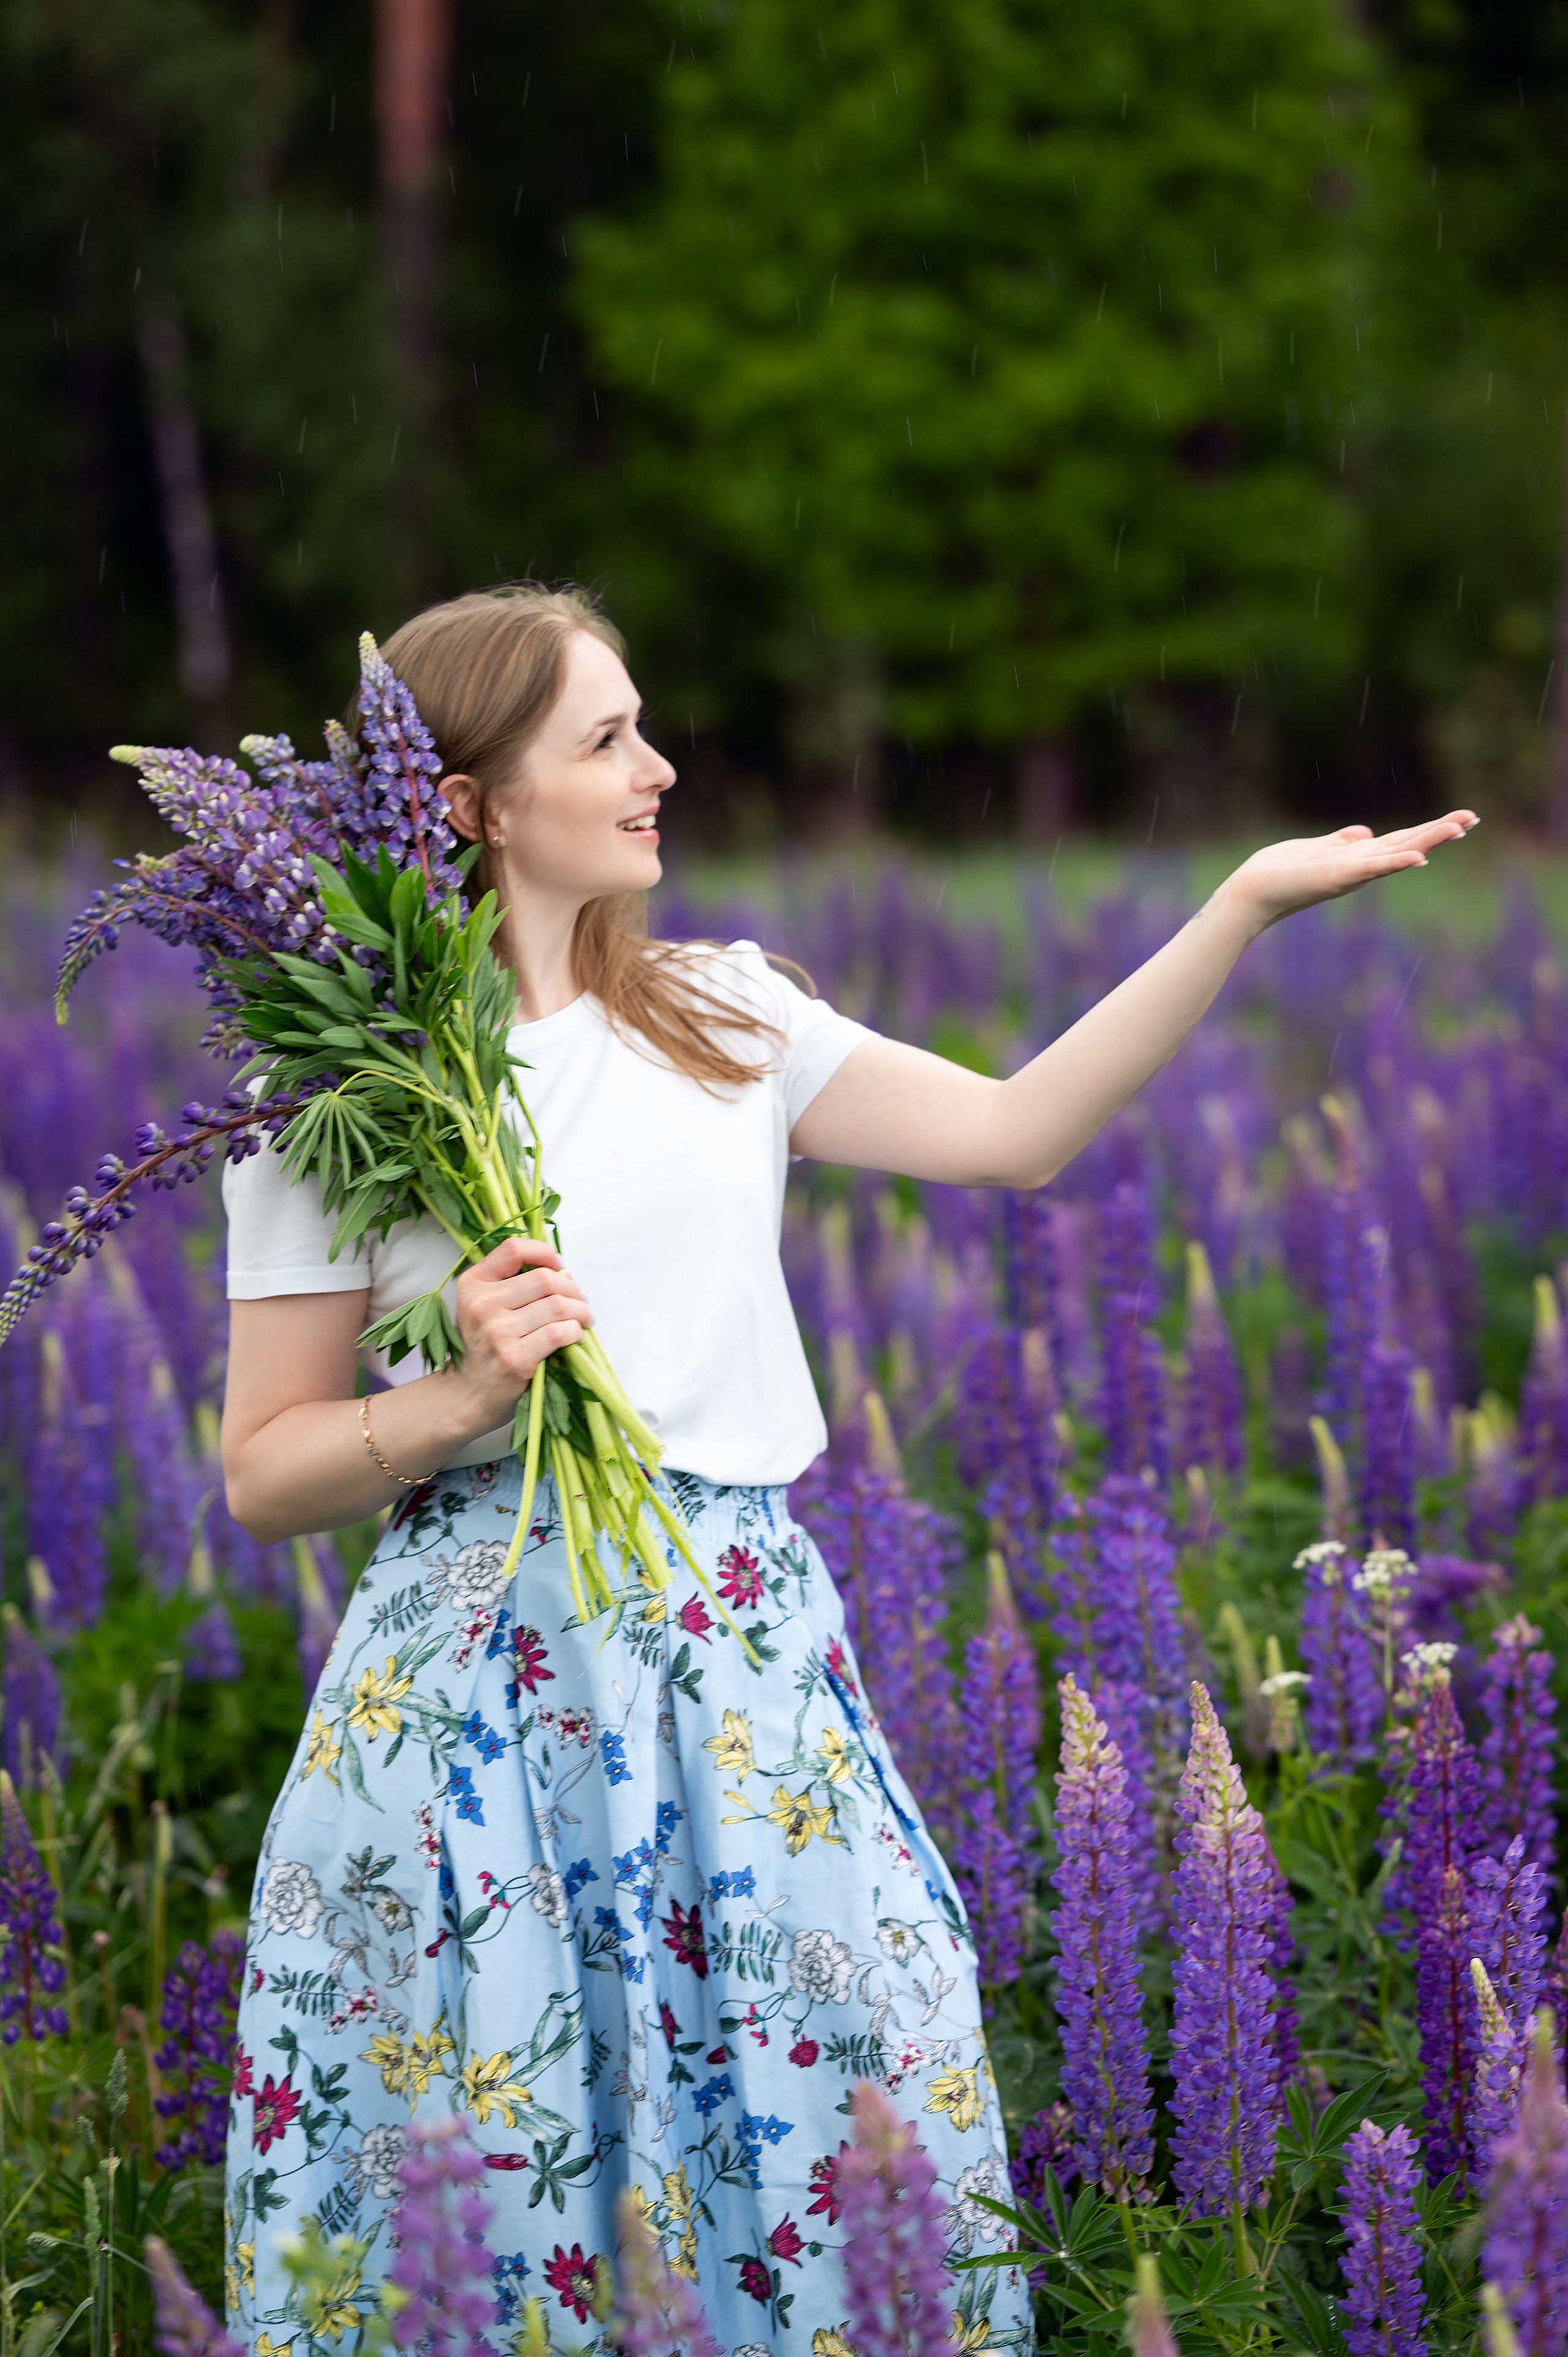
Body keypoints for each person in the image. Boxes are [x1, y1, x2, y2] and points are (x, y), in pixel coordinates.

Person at [219, 582, 1476, 2355]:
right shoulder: (333, 1093)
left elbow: (1015, 1131)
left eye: (646, 722)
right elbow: (265, 1470)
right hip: (475, 1707)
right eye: (606, 739)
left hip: (741, 1683)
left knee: (846, 2115)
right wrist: (453, 1402)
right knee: (499, 2188)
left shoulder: (722, 1018)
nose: (659, 768)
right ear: (473, 803)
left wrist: (1240, 908)